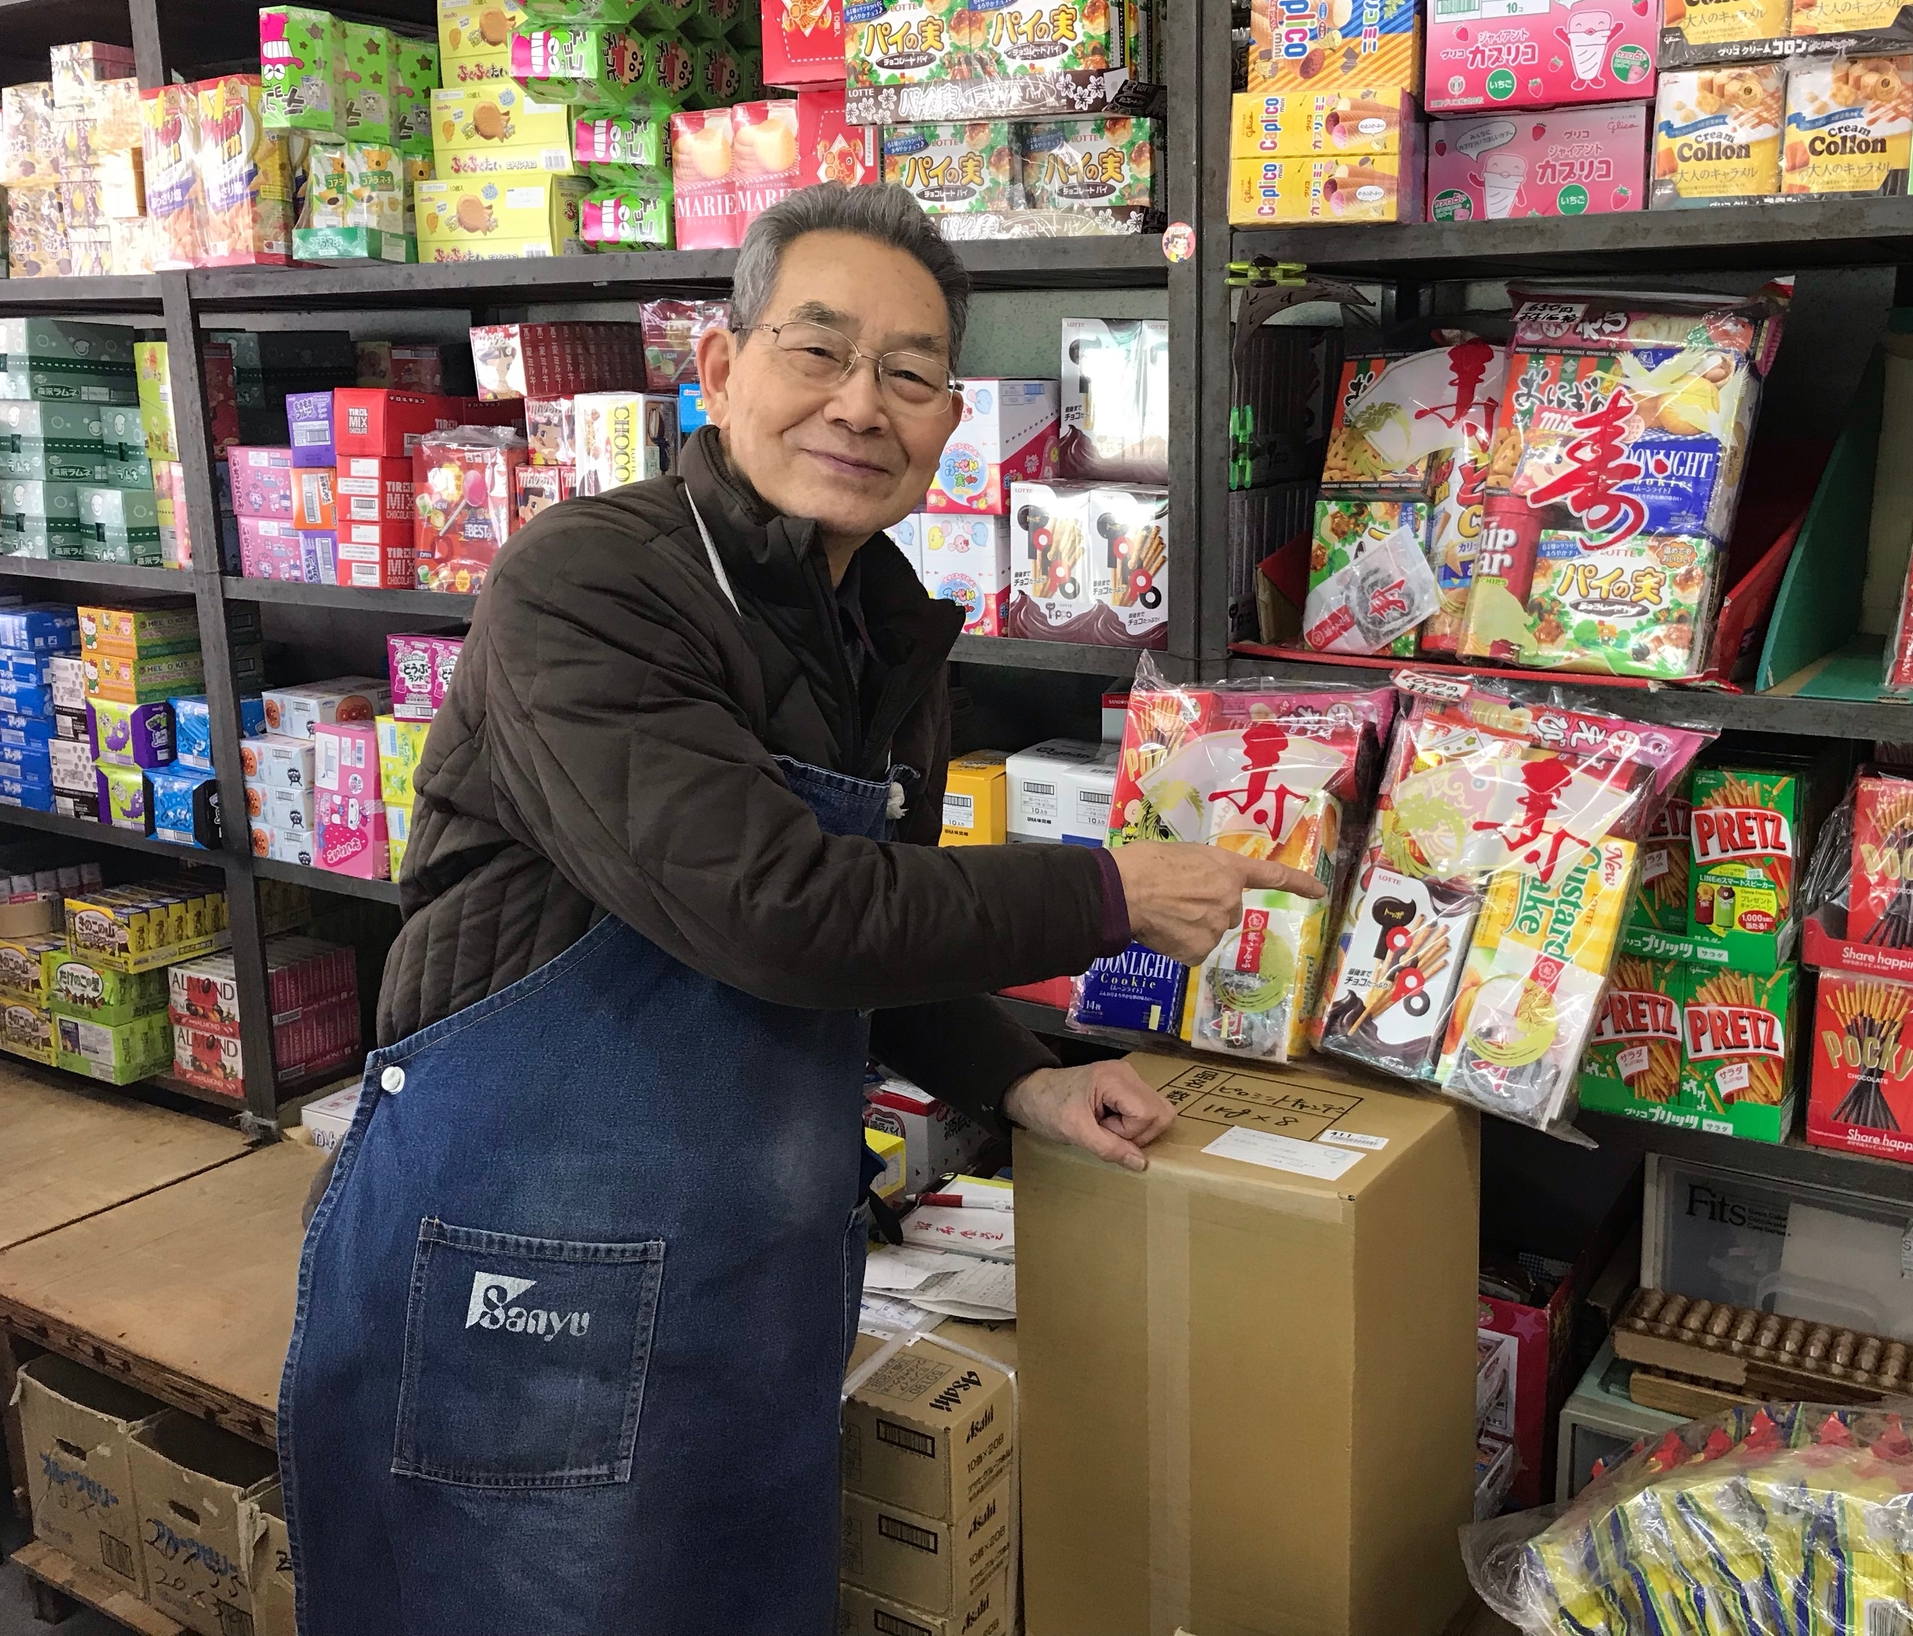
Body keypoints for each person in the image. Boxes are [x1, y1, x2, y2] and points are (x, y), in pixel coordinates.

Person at [279, 182, 1323, 1636]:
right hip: (527, 1276)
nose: (859, 404)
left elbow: (861, 931)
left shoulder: (876, 621)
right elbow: (774, 907)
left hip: (741, 1290)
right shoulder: (589, 582)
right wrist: (1110, 888)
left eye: (909, 372)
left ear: (954, 419)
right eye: (815, 350)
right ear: (718, 369)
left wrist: (1019, 1081)